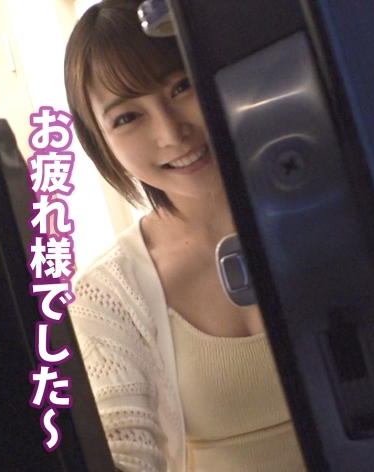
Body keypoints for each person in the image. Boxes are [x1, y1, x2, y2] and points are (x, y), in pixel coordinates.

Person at [63, 1, 306, 471]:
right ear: (101, 144)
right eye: (127, 118)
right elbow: (123, 449)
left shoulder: (335, 203)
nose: (172, 133)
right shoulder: (107, 293)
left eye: (181, 85)